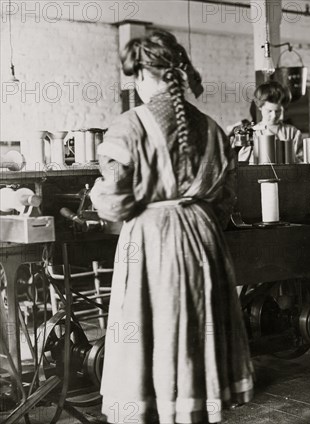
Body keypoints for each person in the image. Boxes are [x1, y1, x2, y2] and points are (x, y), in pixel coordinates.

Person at [89, 29, 254, 423]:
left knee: (155, 334)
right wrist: (193, 219)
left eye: (136, 78)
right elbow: (226, 197)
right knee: (198, 332)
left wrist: (100, 196)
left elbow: (114, 200)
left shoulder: (130, 126)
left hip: (152, 242)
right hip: (202, 241)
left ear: (145, 74)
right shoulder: (212, 127)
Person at [237, 80, 302, 163]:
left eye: (278, 111)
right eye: (269, 111)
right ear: (260, 107)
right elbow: (244, 164)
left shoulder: (293, 133)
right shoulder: (252, 133)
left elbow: (301, 162)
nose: (274, 115)